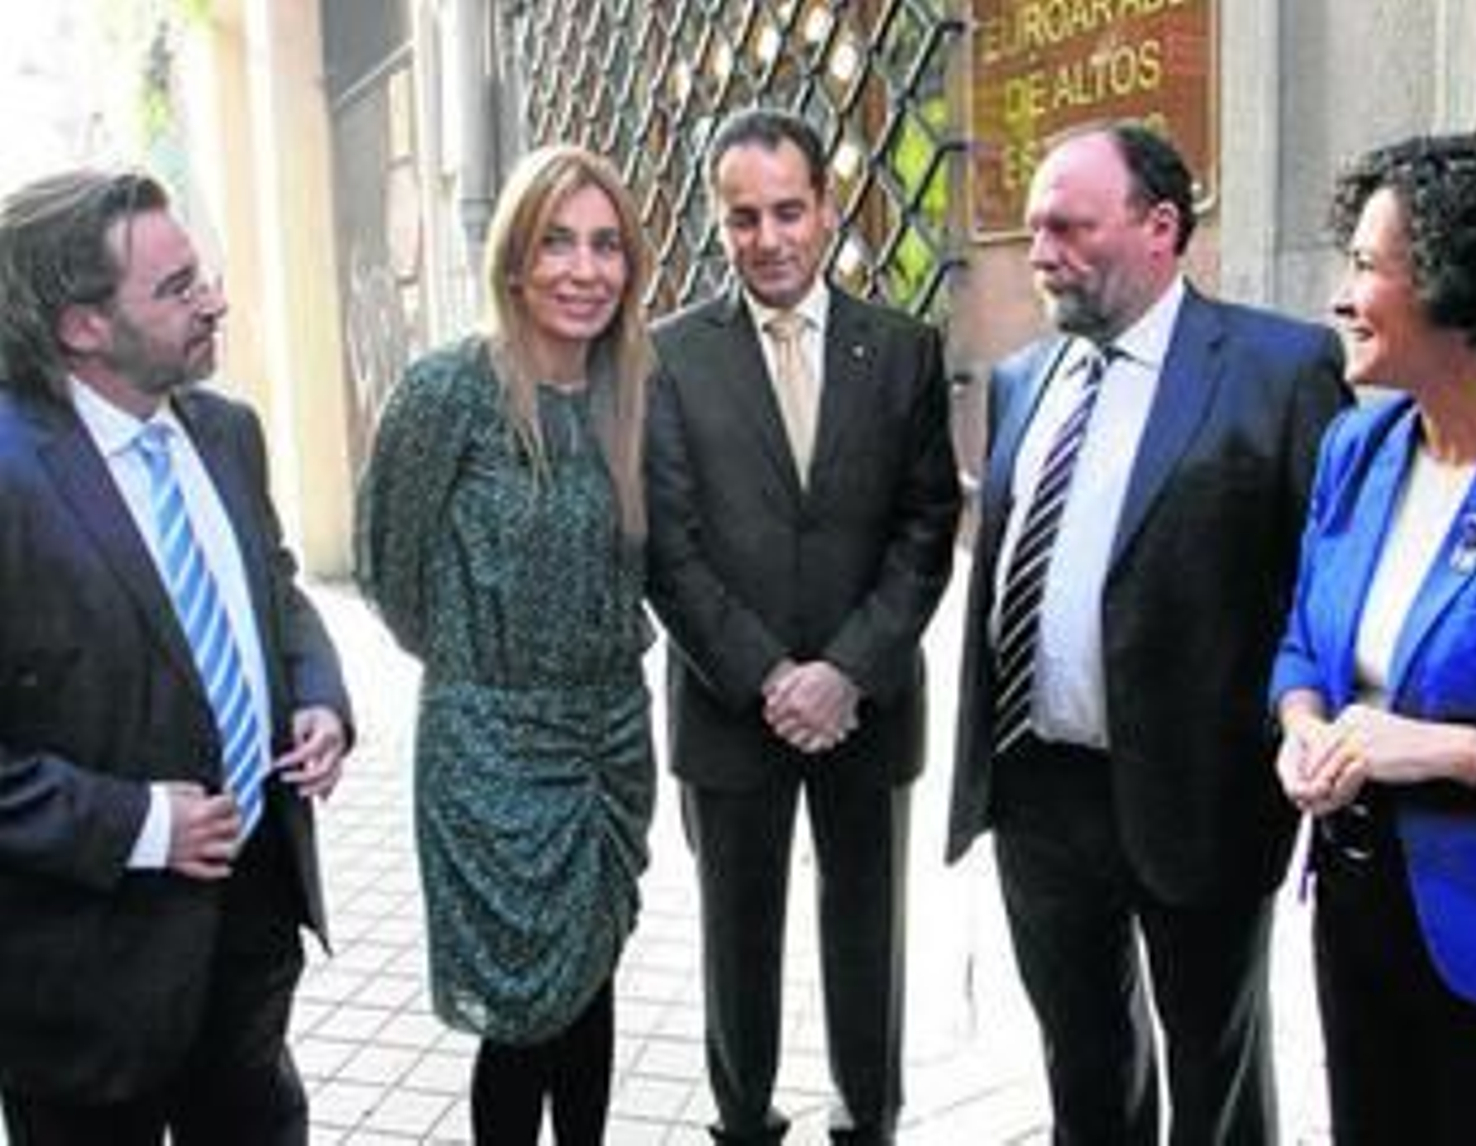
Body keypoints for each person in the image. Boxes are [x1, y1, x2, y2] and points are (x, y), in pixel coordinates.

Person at [947, 121, 1349, 1145]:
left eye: (1069, 227)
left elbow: (1324, 589)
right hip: (1037, 788)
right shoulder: (1021, 378)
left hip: (1198, 799)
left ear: (1160, 226)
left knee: (1213, 1073)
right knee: (1082, 1061)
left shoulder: (1278, 367)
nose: (1040, 252)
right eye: (1033, 229)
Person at [0, 169, 352, 1145]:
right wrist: (139, 823)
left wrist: (319, 695)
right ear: (81, 327)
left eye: (204, 273)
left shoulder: (227, 433)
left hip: (249, 952)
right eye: (177, 287)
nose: (215, 301)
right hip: (85, 992)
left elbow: (275, 591)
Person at [1269, 132, 1476, 1145]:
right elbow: (1300, 644)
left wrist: (1456, 752)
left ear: (1464, 293)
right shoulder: (1356, 446)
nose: (1339, 294)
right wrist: (1303, 726)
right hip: (1361, 922)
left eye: (1366, 267)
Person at [646, 108, 960, 1145]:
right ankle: (742, 1120)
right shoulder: (667, 359)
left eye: (789, 211)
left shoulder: (906, 350)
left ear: (827, 209)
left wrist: (847, 673)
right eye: (744, 217)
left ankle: (867, 1118)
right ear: (716, 221)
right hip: (729, 709)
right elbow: (667, 547)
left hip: (866, 709)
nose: (768, 238)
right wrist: (769, 677)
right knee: (736, 940)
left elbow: (927, 525)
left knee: (866, 936)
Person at [356, 144, 656, 1145]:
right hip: (489, 749)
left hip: (609, 738)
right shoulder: (448, 390)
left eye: (606, 245)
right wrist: (482, 677)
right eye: (557, 242)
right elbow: (385, 570)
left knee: (592, 980)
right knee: (522, 1011)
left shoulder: (632, 391)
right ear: (514, 261)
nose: (584, 270)